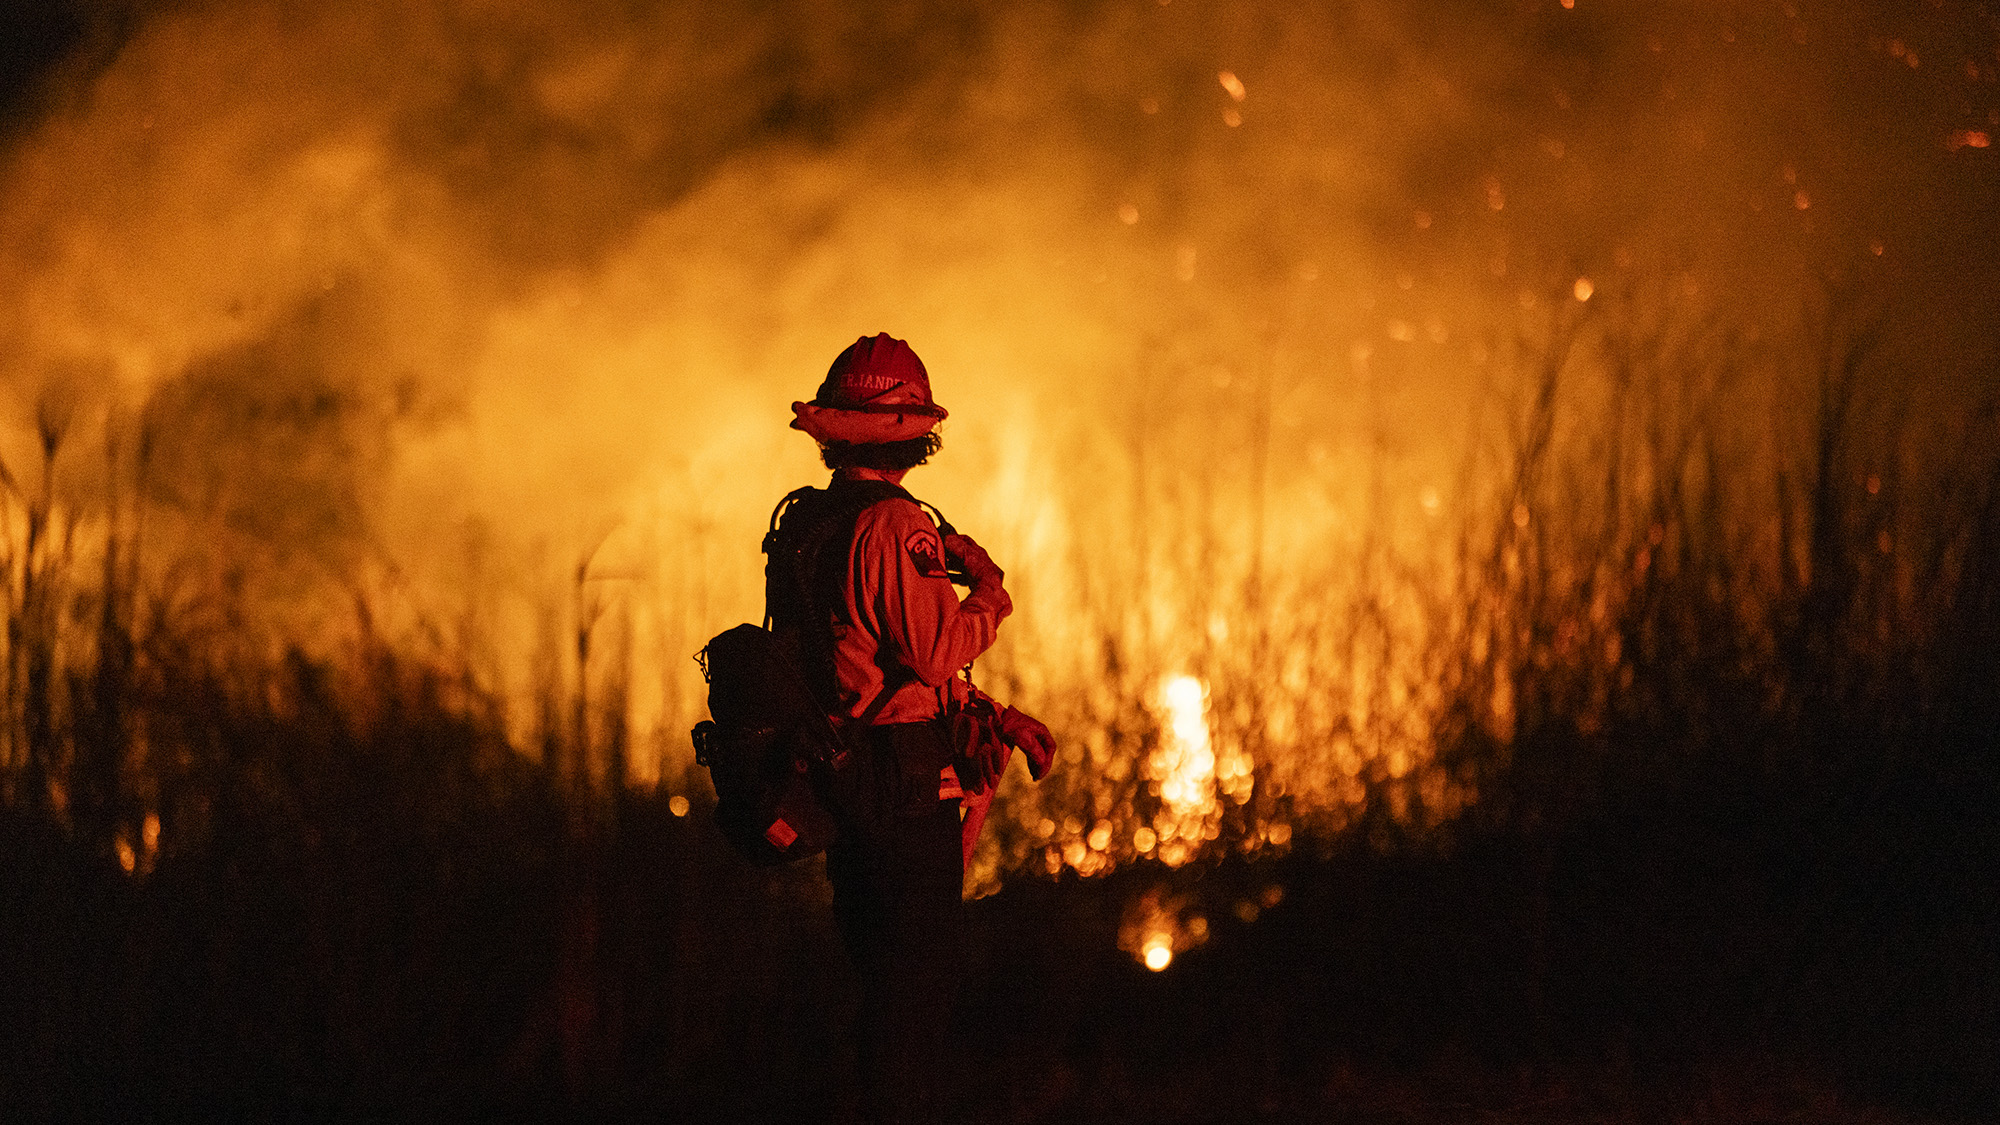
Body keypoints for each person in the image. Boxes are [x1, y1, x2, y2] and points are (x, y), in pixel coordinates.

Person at [774, 332, 1056, 1124]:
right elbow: (933, 653)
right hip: (901, 795)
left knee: (879, 991)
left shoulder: (811, 521)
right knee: (913, 1005)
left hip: (849, 780)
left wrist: (994, 718)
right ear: (913, 431)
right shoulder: (896, 527)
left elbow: (859, 660)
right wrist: (990, 589)